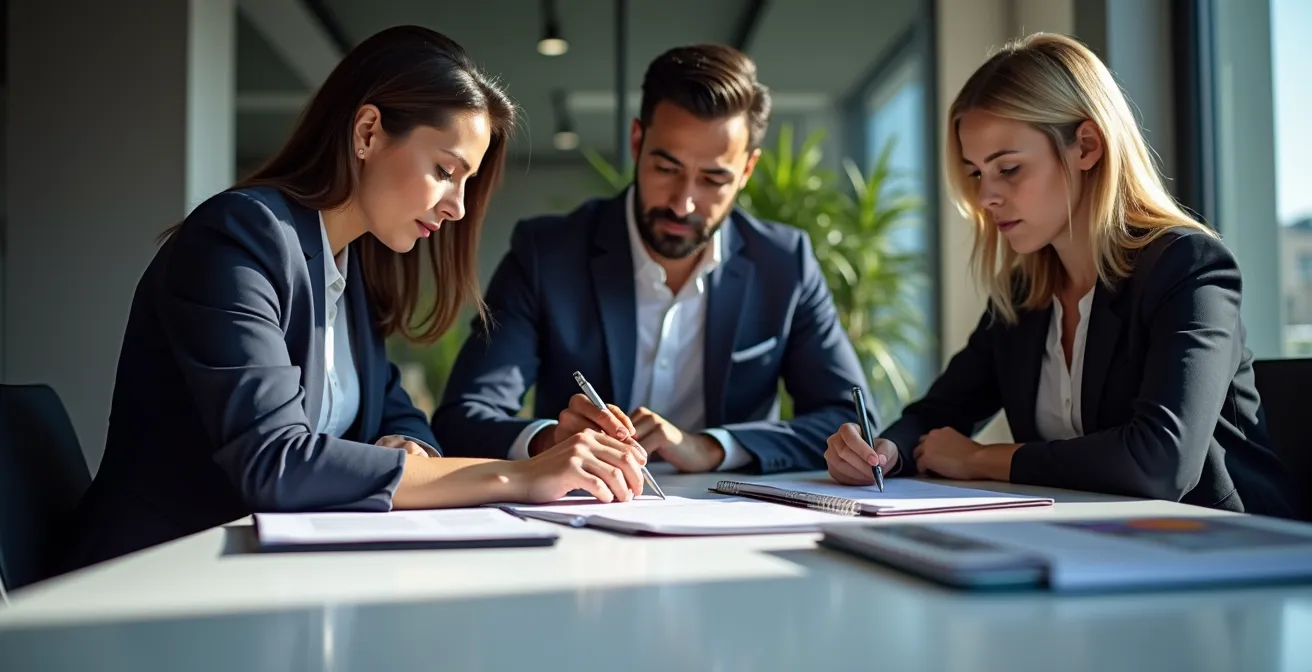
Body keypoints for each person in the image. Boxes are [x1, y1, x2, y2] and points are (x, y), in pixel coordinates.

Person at [64, 26, 650, 571]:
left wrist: (410, 444)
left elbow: (394, 408)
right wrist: (517, 476)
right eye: (446, 170)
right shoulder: (240, 236)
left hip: (267, 573)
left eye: (467, 181)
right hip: (155, 578)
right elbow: (277, 461)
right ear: (368, 131)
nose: (458, 207)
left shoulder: (347, 264)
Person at [823, 32, 1301, 518]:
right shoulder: (1024, 293)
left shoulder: (1190, 268)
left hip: (1230, 547)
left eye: (1007, 169)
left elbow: (1160, 463)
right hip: (1094, 545)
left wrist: (983, 459)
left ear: (1087, 147)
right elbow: (938, 415)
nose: (986, 198)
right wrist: (884, 451)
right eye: (975, 174)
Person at [431, 44, 874, 474]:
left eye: (713, 179)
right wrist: (551, 441)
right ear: (637, 141)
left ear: (746, 172)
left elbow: (853, 423)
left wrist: (713, 447)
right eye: (667, 168)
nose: (683, 203)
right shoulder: (547, 253)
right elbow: (462, 417)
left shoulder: (784, 264)